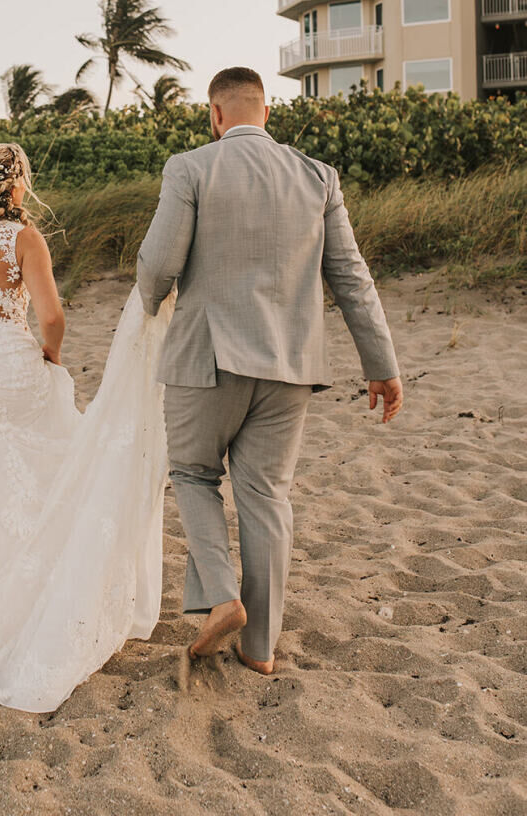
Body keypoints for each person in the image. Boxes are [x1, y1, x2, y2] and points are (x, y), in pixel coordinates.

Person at [136, 66, 402, 676]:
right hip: (290, 364)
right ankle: (260, 648)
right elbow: (352, 278)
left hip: (208, 357)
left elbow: (157, 268)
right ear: (266, 112)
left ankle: (223, 599)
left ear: (215, 115)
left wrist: (148, 311)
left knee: (194, 473)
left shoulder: (191, 167)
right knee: (267, 496)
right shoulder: (317, 176)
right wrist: (381, 366)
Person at [0, 142, 174, 713]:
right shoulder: (24, 238)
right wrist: (50, 356)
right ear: (14, 186)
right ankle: (44, 602)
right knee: (59, 476)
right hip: (10, 373)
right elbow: (52, 316)